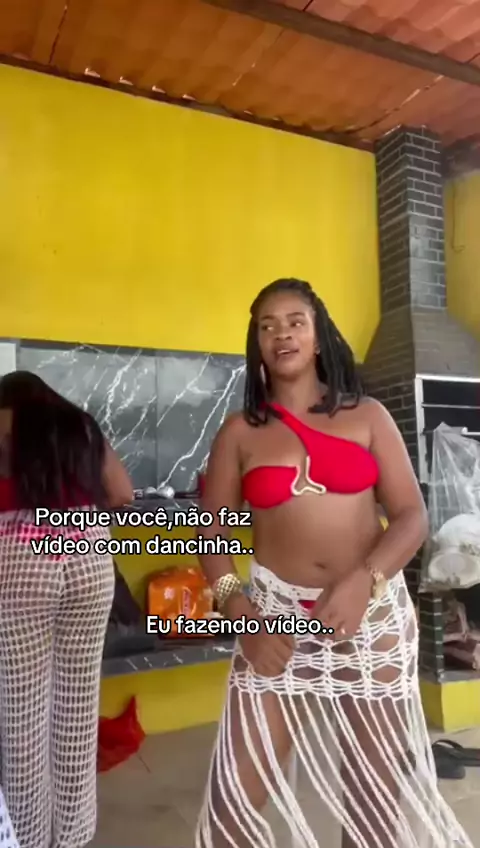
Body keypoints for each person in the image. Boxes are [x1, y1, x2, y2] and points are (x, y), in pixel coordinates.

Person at [195, 279, 473, 848]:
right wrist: (242, 614)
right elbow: (210, 532)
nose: (281, 334)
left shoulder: (367, 415)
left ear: (318, 335)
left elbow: (412, 517)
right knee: (230, 806)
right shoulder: (240, 432)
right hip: (274, 619)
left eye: (295, 321)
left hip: (369, 620)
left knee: (372, 808)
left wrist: (365, 582)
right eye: (267, 325)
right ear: (257, 342)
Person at [0, 371, 133, 848]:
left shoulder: (3, 421)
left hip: (19, 553)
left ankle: (29, 837)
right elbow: (123, 494)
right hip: (88, 554)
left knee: (21, 710)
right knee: (77, 702)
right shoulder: (81, 425)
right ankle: (72, 835)